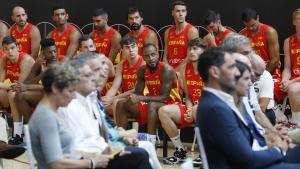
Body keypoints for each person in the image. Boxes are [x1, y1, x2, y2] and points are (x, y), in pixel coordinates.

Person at [196, 47, 300, 169]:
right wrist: (279, 149)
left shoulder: (221, 100)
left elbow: (246, 140)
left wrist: (270, 137)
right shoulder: (215, 108)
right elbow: (247, 161)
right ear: (214, 72)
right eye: (231, 67)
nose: (236, 72)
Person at [58, 55, 153, 169]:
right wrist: (109, 148)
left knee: (141, 153)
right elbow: (75, 149)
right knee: (140, 155)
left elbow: (98, 134)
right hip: (89, 160)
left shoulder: (90, 99)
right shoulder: (70, 105)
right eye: (89, 75)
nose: (94, 77)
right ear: (75, 80)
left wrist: (118, 144)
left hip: (101, 151)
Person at [29, 62, 115, 169]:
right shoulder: (46, 117)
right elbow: (55, 164)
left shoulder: (51, 112)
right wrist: (92, 163)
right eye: (70, 91)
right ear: (55, 88)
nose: (74, 96)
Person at [115, 43, 181, 144]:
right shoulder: (142, 70)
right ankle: (122, 141)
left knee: (151, 105)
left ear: (158, 55)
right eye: (147, 56)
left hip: (170, 104)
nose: (151, 58)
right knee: (121, 104)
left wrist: (140, 98)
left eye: (153, 55)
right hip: (152, 103)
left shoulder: (166, 69)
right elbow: (138, 93)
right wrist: (132, 99)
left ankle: (151, 144)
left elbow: (164, 97)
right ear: (143, 57)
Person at [158, 38, 205, 164]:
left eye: (195, 49)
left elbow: (213, 95)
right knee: (163, 111)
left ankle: (204, 153)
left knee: (197, 110)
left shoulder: (209, 68)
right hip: (193, 107)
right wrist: (189, 110)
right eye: (189, 49)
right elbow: (188, 95)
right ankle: (180, 150)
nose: (191, 51)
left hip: (208, 108)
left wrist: (195, 109)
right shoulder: (184, 68)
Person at [14, 38, 62, 123]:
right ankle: (30, 127)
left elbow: (53, 88)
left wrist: (27, 86)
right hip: (44, 94)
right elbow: (26, 82)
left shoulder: (63, 61)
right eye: (50, 52)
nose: (54, 54)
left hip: (58, 95)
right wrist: (40, 73)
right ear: (43, 53)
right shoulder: (41, 63)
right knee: (19, 96)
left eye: (55, 51)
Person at [0, 36, 35, 144]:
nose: (9, 52)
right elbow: (1, 81)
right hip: (16, 90)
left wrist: (3, 85)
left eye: (12, 48)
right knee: (3, 92)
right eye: (6, 49)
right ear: (3, 50)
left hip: (34, 91)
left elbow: (18, 86)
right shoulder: (4, 59)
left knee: (12, 93)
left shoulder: (26, 60)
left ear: (18, 47)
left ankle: (18, 134)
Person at [102, 35, 145, 116]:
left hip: (140, 98)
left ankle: (121, 127)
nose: (131, 50)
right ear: (122, 50)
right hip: (125, 98)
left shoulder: (143, 64)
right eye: (127, 48)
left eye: (133, 46)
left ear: (137, 47)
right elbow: (114, 87)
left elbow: (136, 90)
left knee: (115, 105)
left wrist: (113, 98)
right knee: (104, 107)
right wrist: (106, 100)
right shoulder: (121, 64)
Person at [240, 8, 281, 80]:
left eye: (253, 25)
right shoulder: (242, 34)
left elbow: (275, 60)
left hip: (271, 72)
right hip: (251, 74)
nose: (250, 28)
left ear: (258, 18)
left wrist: (262, 76)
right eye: (247, 26)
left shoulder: (270, 32)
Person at [163, 0, 199, 68]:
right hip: (170, 69)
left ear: (186, 13)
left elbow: (192, 55)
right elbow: (165, 55)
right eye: (178, 11)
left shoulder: (192, 31)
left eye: (183, 11)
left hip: (185, 69)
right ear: (172, 13)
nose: (181, 14)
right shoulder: (167, 32)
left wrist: (177, 70)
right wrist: (168, 69)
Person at [280, 8, 300, 125]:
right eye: (299, 19)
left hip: (296, 81)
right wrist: (285, 80)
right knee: (279, 85)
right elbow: (287, 68)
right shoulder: (288, 41)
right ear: (294, 22)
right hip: (294, 79)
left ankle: (296, 122)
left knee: (293, 88)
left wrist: (291, 82)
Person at [252, 54, 276, 125]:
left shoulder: (266, 75)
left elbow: (262, 107)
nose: (259, 78)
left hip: (263, 112)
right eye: (257, 74)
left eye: (260, 74)